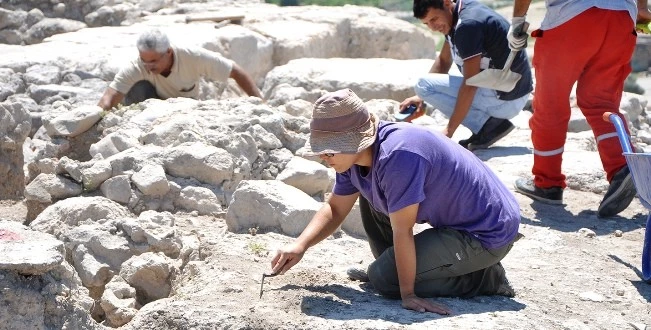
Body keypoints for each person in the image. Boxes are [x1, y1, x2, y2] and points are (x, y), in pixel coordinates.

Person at [270, 88, 520, 314]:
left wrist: (407, 293)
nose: (324, 156)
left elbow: (403, 230)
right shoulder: (352, 158)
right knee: (371, 200)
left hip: (485, 232)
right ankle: (397, 269)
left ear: (357, 140)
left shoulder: (398, 157)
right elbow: (335, 208)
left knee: (384, 280)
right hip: (461, 223)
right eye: (322, 150)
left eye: (330, 150)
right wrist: (300, 245)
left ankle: (486, 277)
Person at [509, 0, 638, 218]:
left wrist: (517, 22)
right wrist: (641, 8)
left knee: (550, 105)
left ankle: (547, 183)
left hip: (571, 16)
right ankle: (623, 166)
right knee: (601, 102)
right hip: (622, 17)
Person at [400, 0, 533, 151]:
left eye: (434, 19)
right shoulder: (458, 14)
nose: (432, 27)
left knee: (423, 85)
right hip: (513, 91)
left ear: (446, 3)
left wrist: (448, 132)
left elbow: (470, 85)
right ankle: (490, 125)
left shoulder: (467, 25)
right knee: (422, 89)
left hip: (507, 98)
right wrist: (420, 99)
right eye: (426, 24)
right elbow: (443, 61)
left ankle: (489, 126)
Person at [97, 29, 262, 111]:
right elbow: (110, 97)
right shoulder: (138, 65)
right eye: (144, 60)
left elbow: (235, 71)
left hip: (185, 109)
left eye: (153, 61)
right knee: (138, 87)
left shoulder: (193, 57)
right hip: (149, 111)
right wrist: (95, 117)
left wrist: (260, 103)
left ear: (168, 52)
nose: (148, 66)